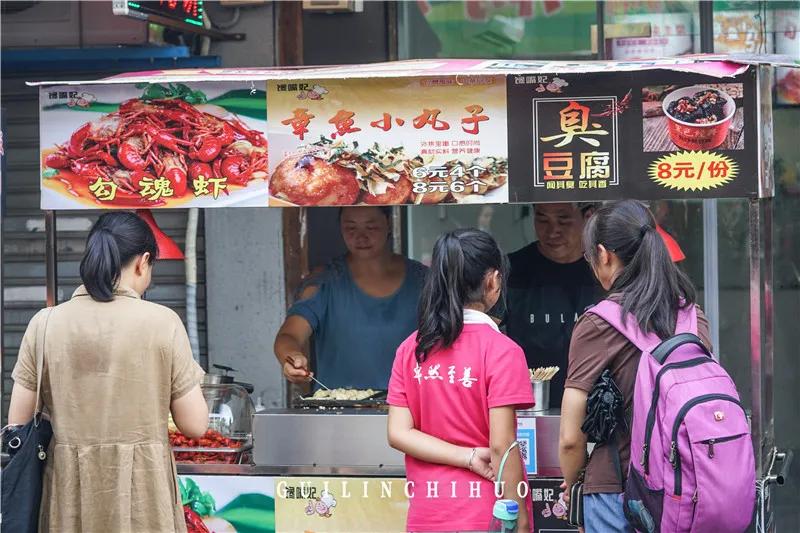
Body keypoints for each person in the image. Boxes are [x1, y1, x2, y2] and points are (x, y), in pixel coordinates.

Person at [7, 211, 208, 532]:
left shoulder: (44, 324)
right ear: (143, 262)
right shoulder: (163, 322)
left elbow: (17, 423)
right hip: (145, 497)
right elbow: (195, 425)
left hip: (68, 496)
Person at [558, 200, 712, 532]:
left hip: (617, 492)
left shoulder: (598, 323)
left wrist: (574, 488)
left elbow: (570, 438)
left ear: (603, 255)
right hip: (689, 489)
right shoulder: (691, 316)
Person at [387, 229, 534, 533]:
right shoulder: (503, 351)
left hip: (427, 514)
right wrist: (519, 518)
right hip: (487, 514)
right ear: (493, 280)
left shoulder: (411, 348)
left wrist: (467, 457)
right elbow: (502, 445)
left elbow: (398, 433)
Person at [274, 206, 427, 390]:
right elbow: (289, 335)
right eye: (351, 228)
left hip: (410, 403)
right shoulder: (324, 282)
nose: (361, 237)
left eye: (371, 227)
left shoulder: (423, 280)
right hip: (340, 405)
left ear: (388, 224)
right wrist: (292, 357)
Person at [503, 203, 604, 408]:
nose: (552, 231)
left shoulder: (604, 270)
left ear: (589, 217)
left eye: (563, 220)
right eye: (542, 219)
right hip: (529, 407)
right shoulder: (512, 271)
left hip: (598, 408)